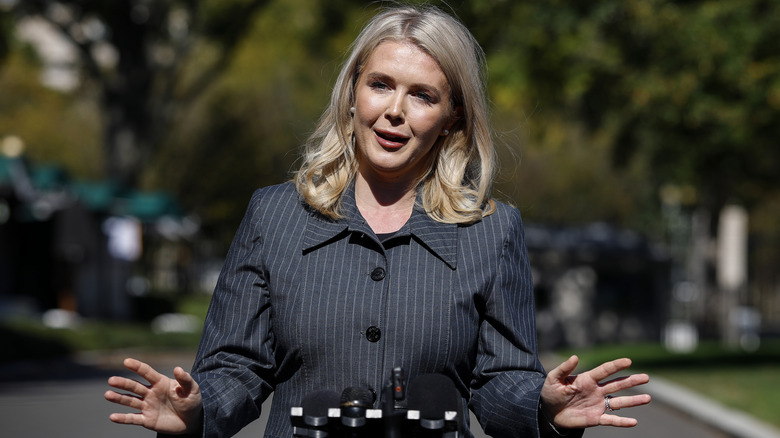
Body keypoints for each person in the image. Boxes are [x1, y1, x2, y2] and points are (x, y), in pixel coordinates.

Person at [105, 5, 651, 437]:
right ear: (351, 93)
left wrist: (542, 405)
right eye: (381, 84)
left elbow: (500, 380)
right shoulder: (273, 215)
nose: (395, 111)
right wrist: (197, 408)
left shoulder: (493, 230)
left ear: (451, 117)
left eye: (422, 96)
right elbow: (236, 366)